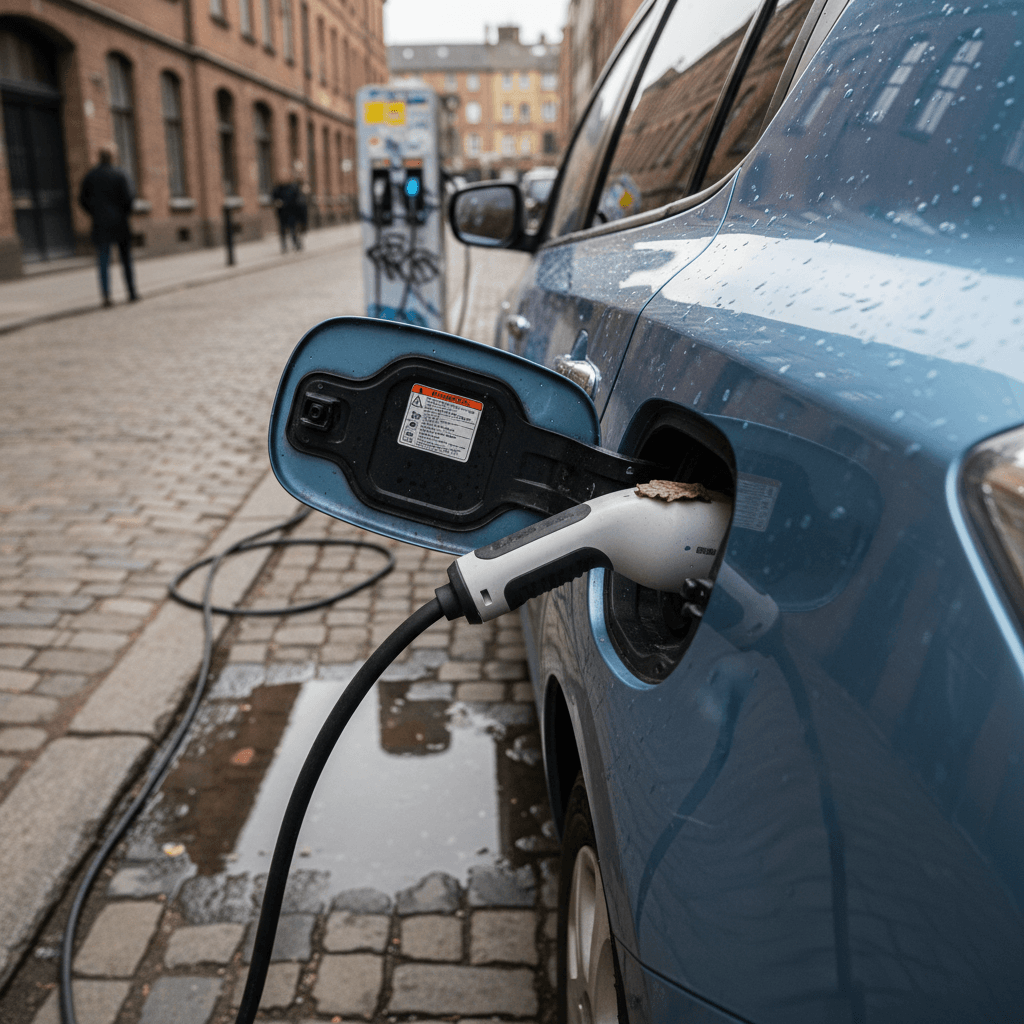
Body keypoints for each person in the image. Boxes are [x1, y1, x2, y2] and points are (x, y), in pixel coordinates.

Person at [78, 148, 138, 306]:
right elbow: (129, 198)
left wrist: (95, 212)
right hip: (120, 223)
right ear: (113, 157)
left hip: (100, 223)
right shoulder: (120, 174)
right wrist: (124, 213)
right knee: (126, 259)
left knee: (103, 260)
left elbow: (82, 200)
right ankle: (131, 292)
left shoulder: (91, 176)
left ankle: (106, 296)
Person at [271, 175, 304, 253]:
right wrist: (277, 203)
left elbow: (296, 200)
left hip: (291, 213)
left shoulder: (292, 188)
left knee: (293, 229)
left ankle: (296, 244)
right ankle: (284, 246)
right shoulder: (277, 189)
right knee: (283, 230)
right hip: (282, 213)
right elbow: (273, 198)